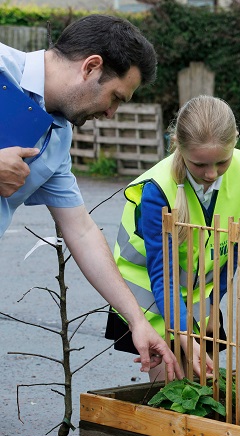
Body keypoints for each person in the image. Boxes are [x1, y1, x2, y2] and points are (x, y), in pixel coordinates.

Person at [0, 14, 180, 379]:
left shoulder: (58, 136)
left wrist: (137, 321)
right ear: (91, 67)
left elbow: (81, 231)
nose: (111, 113)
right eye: (115, 97)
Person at [106, 95, 240, 380]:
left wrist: (214, 302)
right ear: (177, 144)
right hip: (153, 303)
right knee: (171, 394)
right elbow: (163, 275)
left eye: (221, 162)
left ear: (235, 139)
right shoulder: (156, 191)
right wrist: (184, 334)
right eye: (199, 165)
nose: (211, 174)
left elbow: (238, 242)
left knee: (204, 390)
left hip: (201, 301)